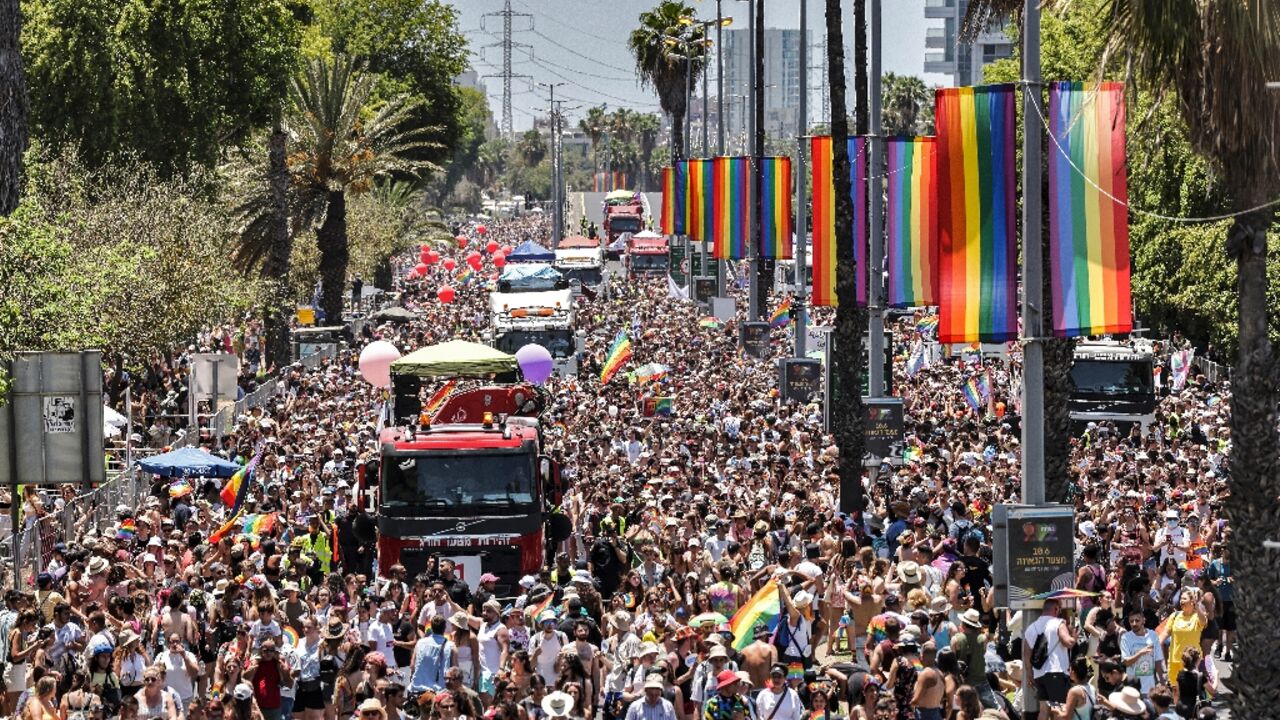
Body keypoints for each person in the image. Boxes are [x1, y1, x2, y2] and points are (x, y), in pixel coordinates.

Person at [1022, 599, 1076, 715]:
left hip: (1038, 675)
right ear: (1056, 609)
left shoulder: (1031, 628)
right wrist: (1074, 636)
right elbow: (1068, 642)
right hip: (1056, 672)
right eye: (1059, 609)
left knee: (1043, 711)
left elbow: (1026, 654)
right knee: (1059, 710)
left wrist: (1029, 674)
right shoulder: (1059, 623)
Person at [1119, 607, 1163, 696]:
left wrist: (1162, 681)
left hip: (1150, 688)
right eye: (1131, 621)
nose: (1134, 623)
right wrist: (1141, 652)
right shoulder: (1126, 638)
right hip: (1133, 688)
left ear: (1143, 621)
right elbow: (1126, 662)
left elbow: (1158, 660)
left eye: (1137, 620)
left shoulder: (1153, 635)